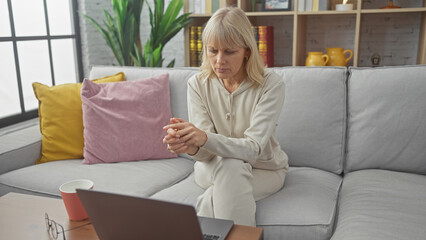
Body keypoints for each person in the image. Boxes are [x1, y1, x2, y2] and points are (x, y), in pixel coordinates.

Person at [162, 7, 288, 226]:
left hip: (264, 170)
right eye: (212, 51)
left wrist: (204, 138)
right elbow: (204, 155)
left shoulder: (271, 84)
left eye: (229, 52)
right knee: (230, 169)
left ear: (247, 50)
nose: (219, 60)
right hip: (210, 168)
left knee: (225, 182)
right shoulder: (197, 84)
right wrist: (189, 145)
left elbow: (252, 148)